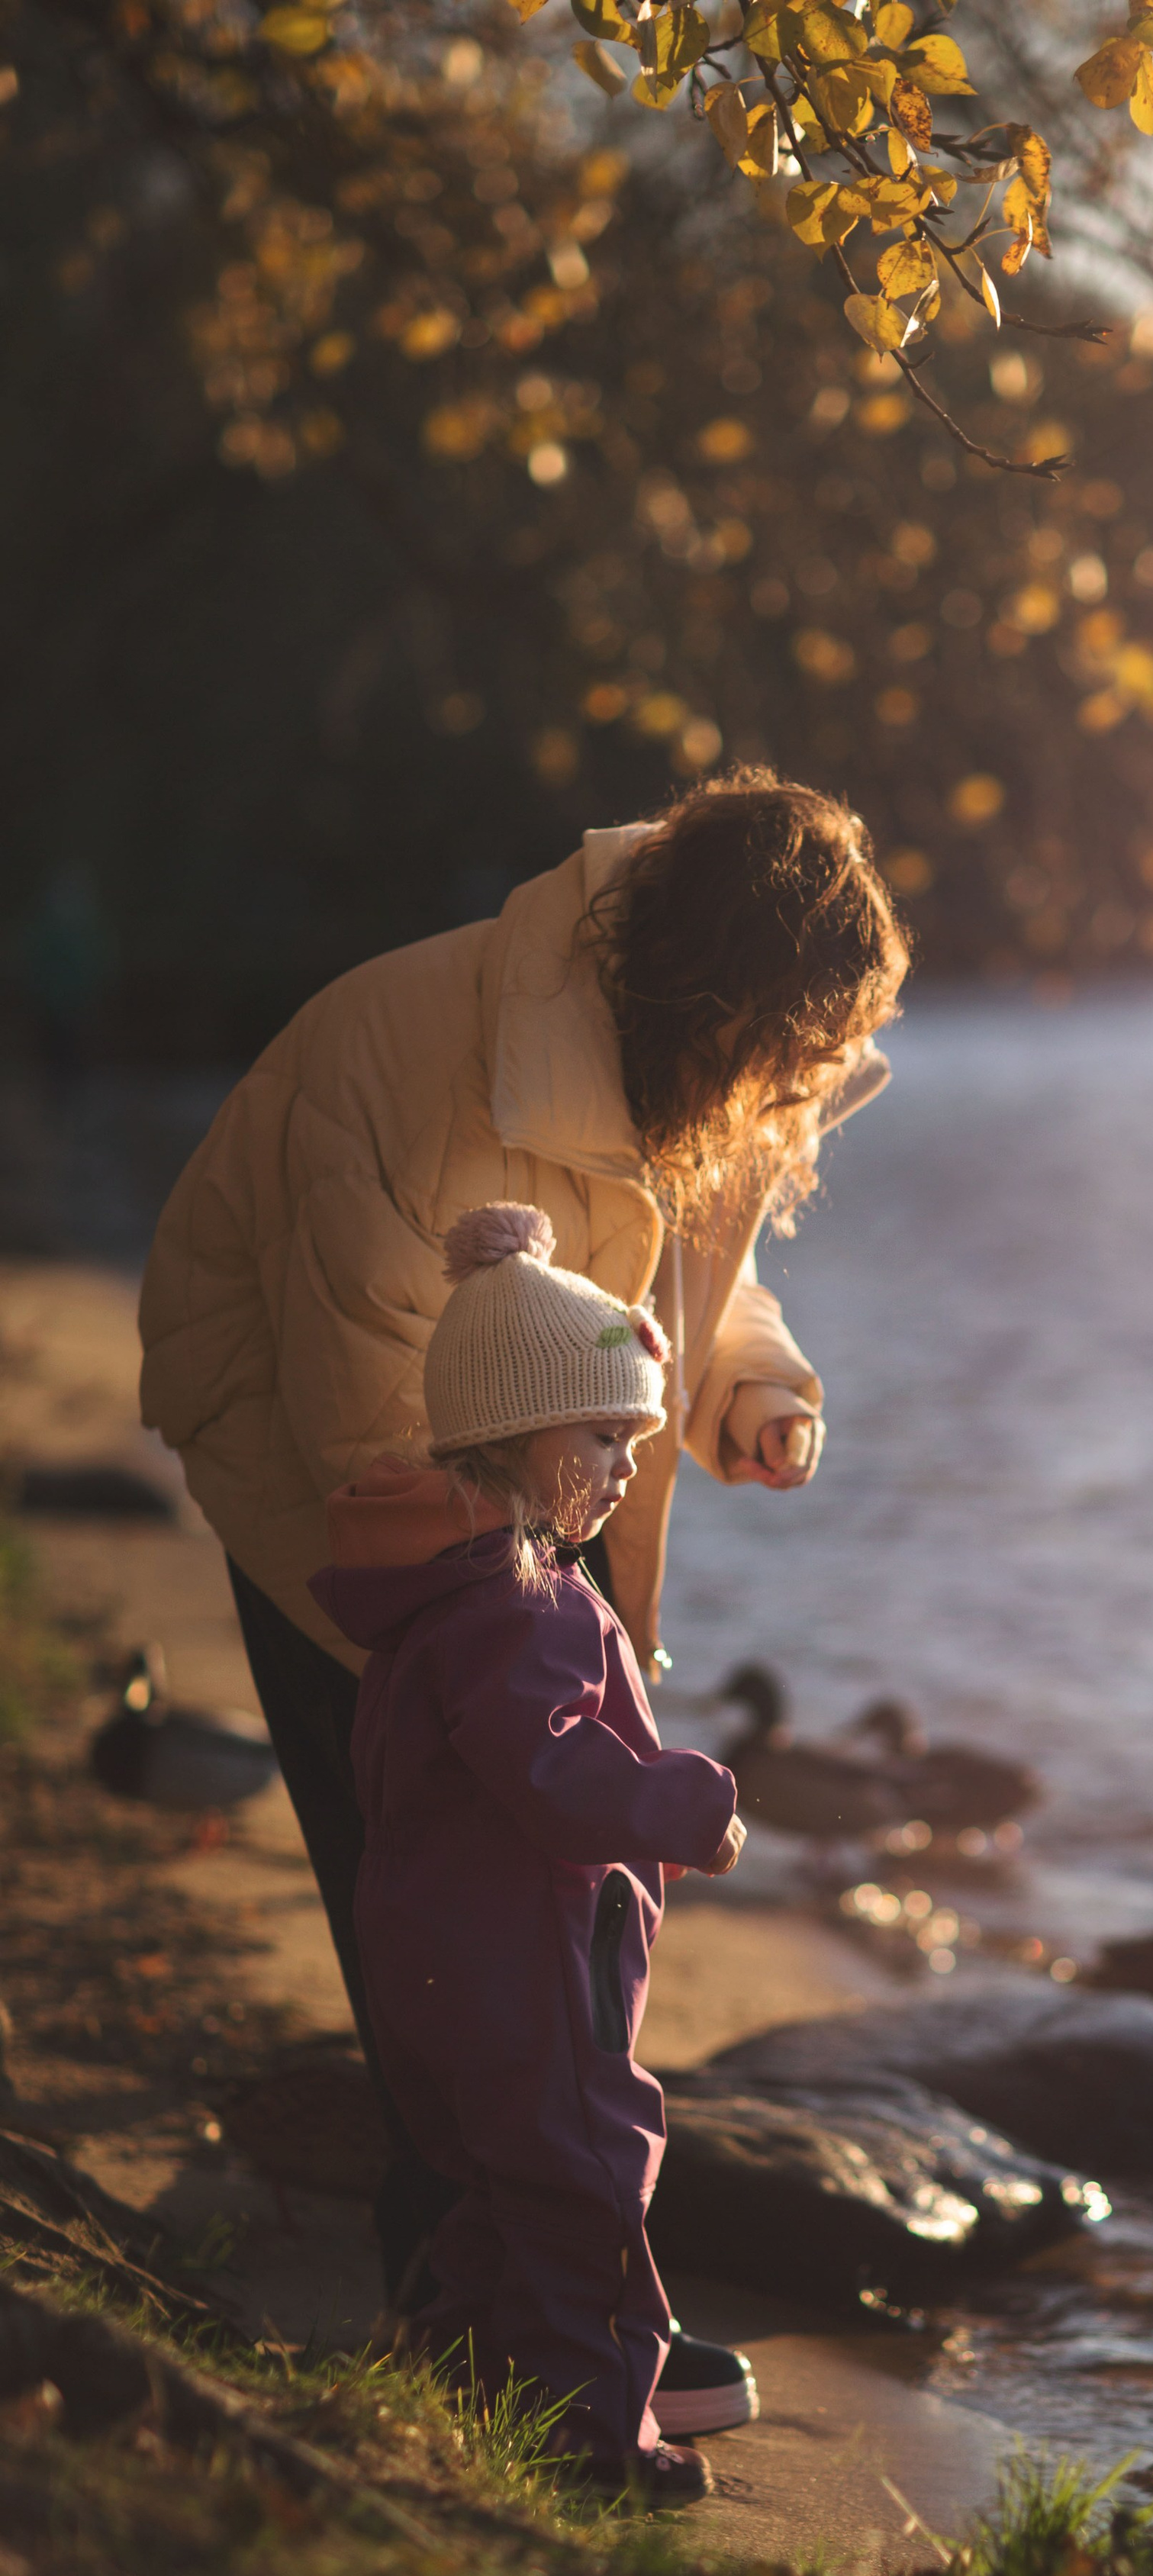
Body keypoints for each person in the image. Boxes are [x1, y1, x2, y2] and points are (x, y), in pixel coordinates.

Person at [140, 769, 906, 2347]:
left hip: (519, 1479)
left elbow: (689, 1295)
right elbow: (364, 1419)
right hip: (317, 1462)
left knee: (550, 1904)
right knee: (425, 1898)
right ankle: (468, 2296)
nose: (799, 1087)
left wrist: (751, 1394)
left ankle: (549, 2278)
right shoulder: (416, 1067)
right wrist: (545, 1641)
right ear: (715, 1001)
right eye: (789, 1052)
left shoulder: (706, 1090)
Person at [309, 1203, 743, 2500]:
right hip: (524, 1975)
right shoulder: (521, 1606)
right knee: (583, 2193)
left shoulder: (438, 1594)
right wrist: (686, 1803)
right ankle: (593, 2446)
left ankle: (453, 2385)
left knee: (494, 2194)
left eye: (633, 1437)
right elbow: (551, 1774)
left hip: (442, 1970)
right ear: (510, 1434)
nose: (623, 1465)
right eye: (601, 1436)